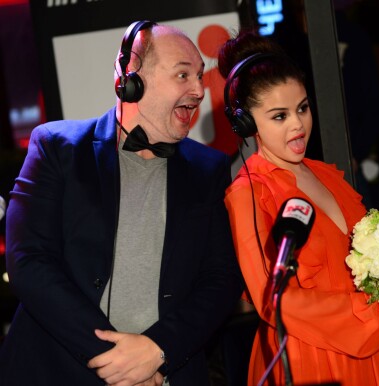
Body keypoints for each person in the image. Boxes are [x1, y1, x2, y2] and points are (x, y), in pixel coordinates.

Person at [0, 21, 243, 386]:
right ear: (132, 77)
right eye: (183, 75)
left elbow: (221, 280)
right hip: (57, 371)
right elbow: (28, 261)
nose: (199, 90)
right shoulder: (56, 147)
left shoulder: (210, 169)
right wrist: (119, 361)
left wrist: (158, 351)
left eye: (200, 76)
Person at [218, 30, 379, 386]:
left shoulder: (327, 175)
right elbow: (272, 299)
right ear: (246, 123)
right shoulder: (248, 193)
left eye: (302, 108)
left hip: (371, 353)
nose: (298, 124)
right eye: (279, 116)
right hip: (308, 359)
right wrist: (370, 309)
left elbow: (369, 272)